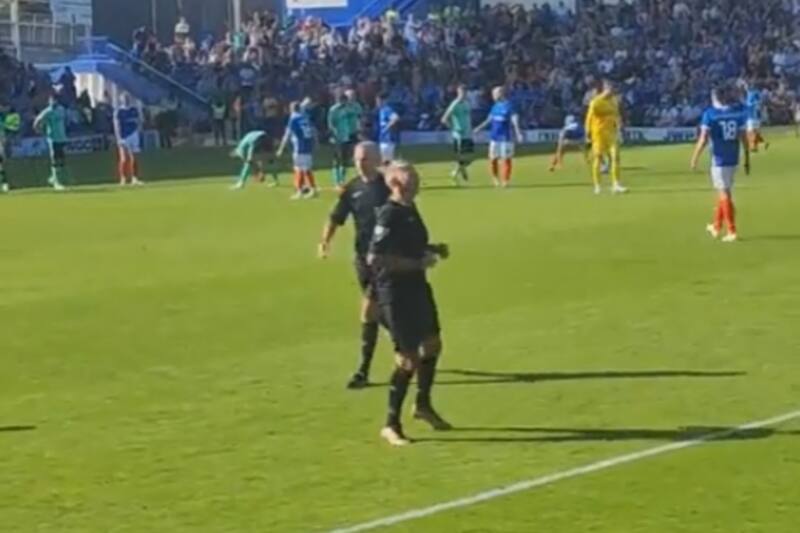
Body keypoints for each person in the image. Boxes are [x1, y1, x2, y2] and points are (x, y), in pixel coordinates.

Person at [368, 160, 452, 446]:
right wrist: (418, 262)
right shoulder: (389, 215)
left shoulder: (409, 209)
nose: (417, 182)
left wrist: (432, 249)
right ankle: (391, 424)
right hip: (395, 294)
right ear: (395, 183)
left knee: (433, 344)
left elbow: (409, 245)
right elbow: (376, 258)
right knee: (408, 359)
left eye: (416, 177)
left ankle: (423, 406)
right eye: (411, 178)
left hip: (418, 288)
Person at [319, 142, 390, 389]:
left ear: (377, 159)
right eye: (358, 159)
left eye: (366, 159)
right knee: (380, 312)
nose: (360, 163)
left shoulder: (389, 186)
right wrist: (324, 242)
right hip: (361, 259)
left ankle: (363, 371)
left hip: (385, 260)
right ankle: (406, 340)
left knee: (368, 309)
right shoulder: (352, 188)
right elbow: (336, 217)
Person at [690, 87, 750, 243]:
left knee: (724, 194)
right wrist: (747, 158)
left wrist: (694, 157)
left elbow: (703, 139)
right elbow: (744, 137)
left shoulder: (710, 114)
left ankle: (732, 230)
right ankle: (716, 226)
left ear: (714, 98)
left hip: (719, 160)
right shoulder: (737, 113)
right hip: (733, 158)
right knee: (724, 192)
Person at [473, 86, 524, 188]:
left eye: (495, 94)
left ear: (501, 93)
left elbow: (514, 119)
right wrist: (478, 128)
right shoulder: (495, 106)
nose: (493, 96)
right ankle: (495, 178)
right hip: (494, 137)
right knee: (493, 159)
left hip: (506, 137)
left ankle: (505, 180)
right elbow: (489, 120)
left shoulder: (509, 105)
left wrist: (518, 132)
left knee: (506, 159)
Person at [585, 79, 627, 194]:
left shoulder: (614, 101)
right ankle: (597, 186)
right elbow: (589, 119)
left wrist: (620, 128)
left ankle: (616, 184)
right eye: (611, 89)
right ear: (605, 89)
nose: (613, 91)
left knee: (615, 157)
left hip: (611, 134)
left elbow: (616, 116)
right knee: (598, 158)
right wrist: (587, 134)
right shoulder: (596, 102)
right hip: (598, 134)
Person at [277, 101, 318, 199]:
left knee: (298, 168)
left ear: (291, 109)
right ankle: (312, 190)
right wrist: (316, 142)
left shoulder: (293, 119)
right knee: (306, 168)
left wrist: (281, 148)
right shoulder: (305, 117)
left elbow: (287, 134)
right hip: (308, 146)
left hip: (300, 146)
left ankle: (299, 191)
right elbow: (313, 130)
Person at [33, 94, 68, 191]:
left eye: (55, 100)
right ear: (49, 101)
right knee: (55, 160)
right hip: (53, 138)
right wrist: (38, 129)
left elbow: (65, 121)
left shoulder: (62, 109)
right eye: (51, 100)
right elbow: (37, 120)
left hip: (62, 138)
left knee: (62, 160)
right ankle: (57, 182)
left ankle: (53, 178)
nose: (53, 102)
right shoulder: (48, 111)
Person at [440, 84, 474, 184]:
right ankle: (456, 173)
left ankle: (459, 170)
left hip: (468, 133)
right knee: (462, 156)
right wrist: (453, 128)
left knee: (469, 157)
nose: (463, 94)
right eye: (461, 92)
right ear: (458, 93)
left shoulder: (467, 103)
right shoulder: (455, 104)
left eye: (464, 92)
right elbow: (444, 119)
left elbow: (468, 117)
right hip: (459, 134)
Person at [114, 94, 144, 186]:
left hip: (133, 135)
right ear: (121, 100)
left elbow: (139, 121)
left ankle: (134, 178)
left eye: (127, 99)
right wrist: (119, 137)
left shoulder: (134, 110)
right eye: (124, 99)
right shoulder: (119, 111)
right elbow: (116, 125)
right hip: (124, 136)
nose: (126, 100)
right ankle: (123, 179)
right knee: (123, 158)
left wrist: (139, 130)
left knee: (134, 157)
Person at [327, 93, 353, 189]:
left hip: (346, 137)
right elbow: (330, 124)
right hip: (337, 139)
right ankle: (337, 181)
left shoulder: (346, 109)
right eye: (344, 101)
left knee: (345, 160)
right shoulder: (333, 110)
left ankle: (342, 180)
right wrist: (335, 135)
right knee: (337, 160)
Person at [376, 94, 400, 165]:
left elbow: (396, 118)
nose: (377, 103)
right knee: (385, 162)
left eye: (378, 101)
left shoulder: (387, 109)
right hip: (384, 139)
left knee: (386, 162)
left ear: (383, 101)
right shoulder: (381, 111)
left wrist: (387, 127)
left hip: (388, 140)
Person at [745, 84, 769, 152]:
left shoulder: (750, 101)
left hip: (751, 118)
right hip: (757, 119)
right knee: (756, 133)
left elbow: (748, 94)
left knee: (750, 133)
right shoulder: (758, 101)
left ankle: (753, 147)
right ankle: (763, 144)